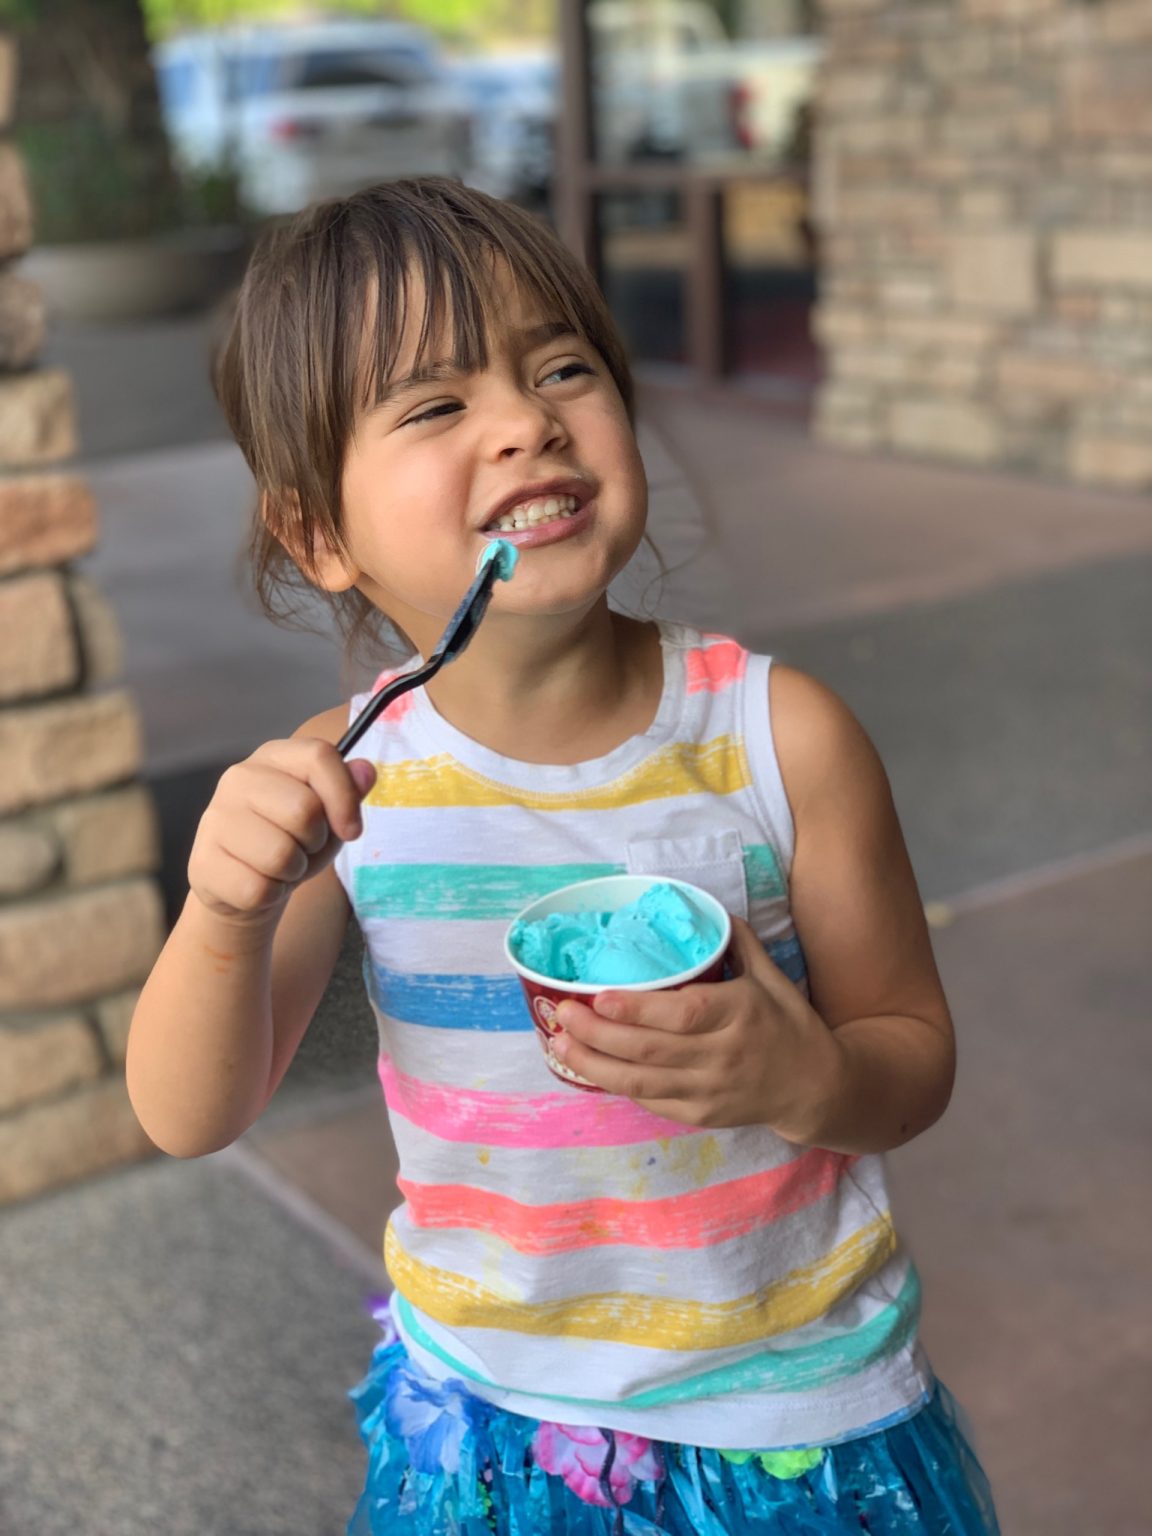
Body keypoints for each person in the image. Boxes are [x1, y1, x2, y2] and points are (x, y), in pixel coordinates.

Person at [127, 178, 1000, 1535]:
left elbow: (913, 1059)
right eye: (435, 405)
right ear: (320, 536)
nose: (527, 422)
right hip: (491, 1438)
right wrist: (223, 908)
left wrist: (811, 1078)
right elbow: (189, 1114)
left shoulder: (781, 738)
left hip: (798, 1433)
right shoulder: (343, 787)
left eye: (562, 369)